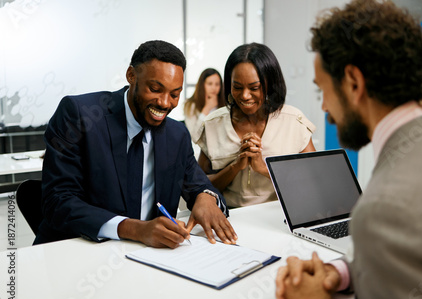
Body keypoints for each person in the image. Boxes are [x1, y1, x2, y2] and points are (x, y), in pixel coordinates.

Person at [275, 0, 422, 299]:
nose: (324, 106)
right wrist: (340, 272)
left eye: (321, 89)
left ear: (354, 82)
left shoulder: (385, 208)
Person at [36, 40, 238, 248]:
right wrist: (135, 229)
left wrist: (205, 197)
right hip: (77, 251)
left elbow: (199, 183)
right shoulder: (80, 115)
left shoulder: (177, 135)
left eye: (174, 94)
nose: (165, 103)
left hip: (148, 258)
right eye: (155, 89)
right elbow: (57, 201)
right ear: (131, 76)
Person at [194, 43, 316, 208]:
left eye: (254, 88)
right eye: (237, 87)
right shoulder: (213, 125)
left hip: (278, 218)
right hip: (230, 218)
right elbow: (199, 187)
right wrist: (235, 167)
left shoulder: (294, 121)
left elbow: (313, 184)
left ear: (270, 85)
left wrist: (263, 168)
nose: (244, 96)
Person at [183, 68, 225, 139]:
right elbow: (194, 137)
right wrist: (207, 109)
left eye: (217, 84)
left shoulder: (225, 105)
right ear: (202, 85)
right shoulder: (190, 105)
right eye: (210, 84)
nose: (213, 88)